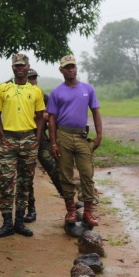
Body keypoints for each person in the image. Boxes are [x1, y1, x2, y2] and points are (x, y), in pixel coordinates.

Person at [0, 54, 44, 238]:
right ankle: (7, 223)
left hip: (29, 139)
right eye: (16, 65)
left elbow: (40, 116)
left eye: (22, 65)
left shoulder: (35, 91)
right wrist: (2, 136)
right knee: (6, 182)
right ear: (12, 67)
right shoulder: (3, 88)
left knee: (25, 183)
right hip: (9, 140)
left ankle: (20, 222)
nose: (19, 68)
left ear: (28, 66)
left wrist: (36, 138)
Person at [46, 55, 102, 227]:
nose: (70, 69)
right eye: (67, 67)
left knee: (87, 173)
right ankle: (71, 210)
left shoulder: (87, 89)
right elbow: (52, 119)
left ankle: (88, 212)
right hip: (63, 135)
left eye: (73, 66)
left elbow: (95, 111)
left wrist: (99, 135)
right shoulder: (57, 92)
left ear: (76, 68)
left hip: (81, 136)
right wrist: (53, 143)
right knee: (66, 174)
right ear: (61, 70)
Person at [26, 69, 63, 224]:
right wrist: (41, 116)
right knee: (26, 176)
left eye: (34, 77)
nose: (33, 80)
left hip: (41, 139)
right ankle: (30, 209)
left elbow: (53, 116)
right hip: (24, 138)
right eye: (30, 78)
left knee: (54, 168)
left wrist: (34, 116)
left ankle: (69, 201)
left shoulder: (44, 96)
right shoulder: (19, 96)